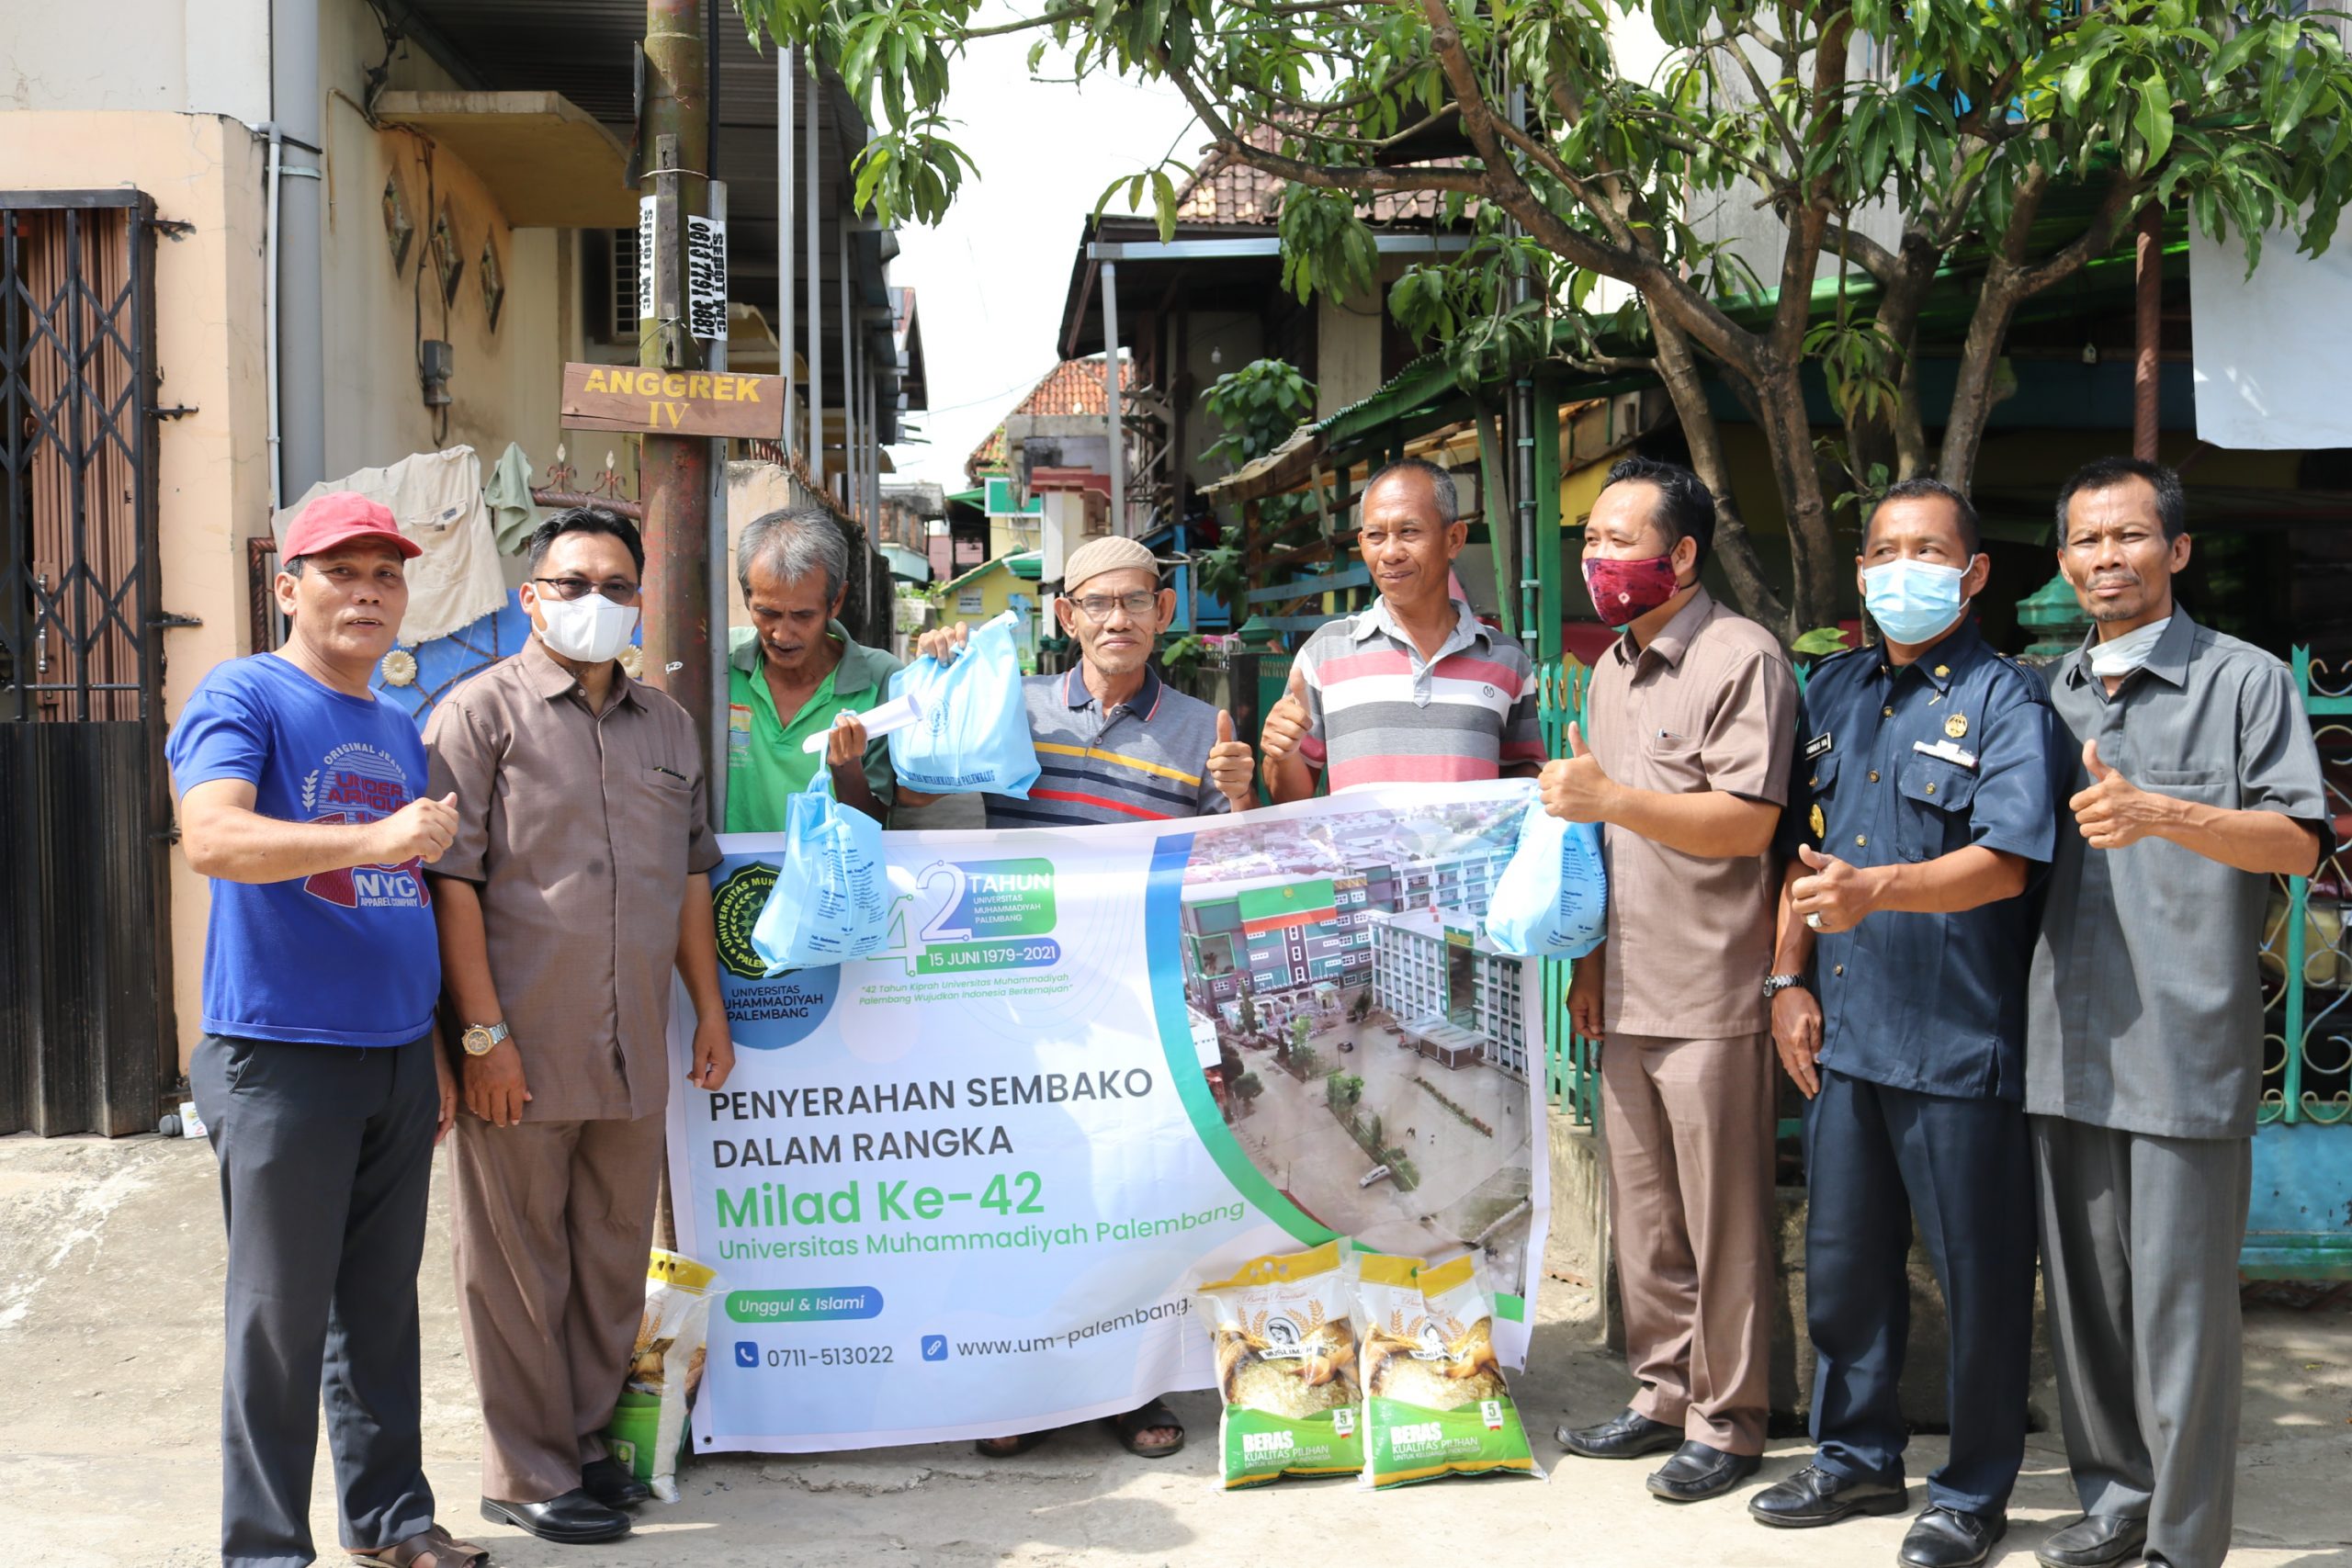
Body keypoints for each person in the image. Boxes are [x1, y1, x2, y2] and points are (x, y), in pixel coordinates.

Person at [169, 491, 486, 1568]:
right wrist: (373, 836)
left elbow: (411, 901)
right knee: (278, 1320)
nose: (366, 592)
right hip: (282, 1054)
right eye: (341, 571)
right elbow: (211, 838)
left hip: (396, 1057)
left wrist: (436, 1049)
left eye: (385, 575)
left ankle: (392, 1522)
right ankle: (264, 1548)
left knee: (379, 1313)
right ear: (287, 586)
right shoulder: (243, 694)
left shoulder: (397, 726)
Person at [1752, 479, 2061, 1568]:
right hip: (1846, 1037)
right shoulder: (1831, 690)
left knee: (1978, 1276)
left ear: (1973, 574)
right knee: (1842, 1265)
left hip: (1958, 1037)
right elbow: (1800, 857)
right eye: (1883, 550)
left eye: (1927, 550)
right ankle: (1855, 1459)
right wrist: (1787, 984)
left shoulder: (2010, 702)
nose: (1900, 569)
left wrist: (1879, 890)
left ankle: (1970, 1493)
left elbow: (2008, 861)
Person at [2025, 458, 2325, 1568]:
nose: (2107, 557)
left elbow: (2297, 842)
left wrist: (2161, 810)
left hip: (2184, 1037)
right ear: (2062, 562)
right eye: (2086, 540)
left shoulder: (2244, 682)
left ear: (2176, 551)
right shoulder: (2043, 693)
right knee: (2090, 1305)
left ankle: (2181, 1541)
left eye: (2130, 536)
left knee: (2182, 1313)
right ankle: (2115, 1503)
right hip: (2062, 1035)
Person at [423, 508, 736, 1546]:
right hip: (520, 1039)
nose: (593, 602)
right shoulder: (479, 715)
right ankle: (523, 1467)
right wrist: (480, 1039)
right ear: (531, 596)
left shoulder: (668, 726)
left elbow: (692, 876)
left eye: (614, 585)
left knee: (608, 1257)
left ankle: (583, 1443)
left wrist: (711, 1012)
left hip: (632, 1039)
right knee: (516, 1263)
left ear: (639, 599)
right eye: (571, 583)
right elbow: (451, 883)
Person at [915, 534, 1256, 1458]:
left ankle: (1134, 1390)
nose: (1116, 619)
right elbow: (917, 793)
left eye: (1134, 602)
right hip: (1023, 1011)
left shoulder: (1199, 729)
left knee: (1135, 1201)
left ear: (1163, 613)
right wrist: (938, 672)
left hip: (1138, 1015)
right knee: (1029, 1204)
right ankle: (1026, 1389)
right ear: (1063, 616)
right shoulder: (1012, 711)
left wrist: (1237, 796)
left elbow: (1219, 872)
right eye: (1095, 603)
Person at [1544, 457, 1797, 1504]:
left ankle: (1729, 1419)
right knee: (1646, 1217)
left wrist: (1610, 796)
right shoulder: (1611, 667)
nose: (1600, 560)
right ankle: (1660, 1394)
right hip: (1630, 982)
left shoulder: (1742, 658)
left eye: (1620, 542)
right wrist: (1591, 965)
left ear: (1681, 556)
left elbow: (1747, 822)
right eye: (1592, 543)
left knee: (1723, 1219)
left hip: (1712, 987)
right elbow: (1599, 847)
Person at [1258, 457, 1545, 799]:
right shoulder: (1325, 652)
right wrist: (1282, 753)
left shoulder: (1506, 659)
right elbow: (1287, 797)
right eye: (1376, 536)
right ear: (1362, 543)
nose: (1391, 553)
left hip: (1472, 856)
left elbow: (1523, 774)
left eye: (1409, 532)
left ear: (1454, 538)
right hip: (1358, 855)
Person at [723, 505, 902, 829]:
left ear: (836, 601)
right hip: (732, 878)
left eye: (803, 616)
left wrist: (847, 769)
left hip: (835, 877)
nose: (782, 634)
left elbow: (876, 824)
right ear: (746, 595)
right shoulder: (719, 662)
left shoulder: (881, 678)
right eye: (768, 613)